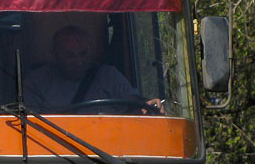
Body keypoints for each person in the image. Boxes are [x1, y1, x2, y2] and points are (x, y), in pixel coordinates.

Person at [25, 25, 161, 113]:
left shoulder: (109, 76)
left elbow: (133, 102)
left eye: (83, 54)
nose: (79, 62)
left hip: (108, 152)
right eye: (70, 56)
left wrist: (146, 105)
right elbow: (30, 125)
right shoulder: (36, 83)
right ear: (54, 55)